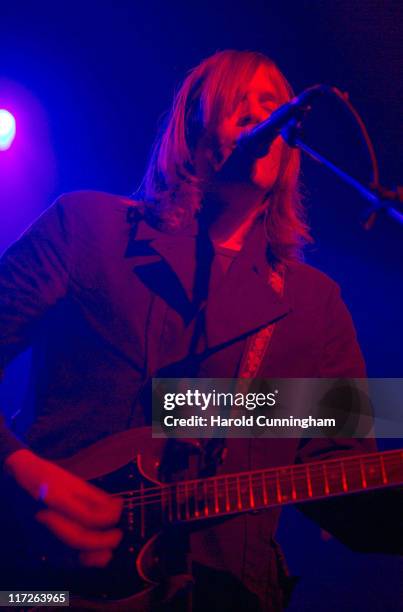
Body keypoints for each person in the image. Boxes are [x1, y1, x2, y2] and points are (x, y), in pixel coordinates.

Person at [0, 50, 400, 612]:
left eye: (273, 105)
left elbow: (343, 486)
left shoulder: (314, 304)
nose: (261, 114)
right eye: (239, 100)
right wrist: (16, 474)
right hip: (36, 589)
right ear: (192, 124)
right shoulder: (87, 227)